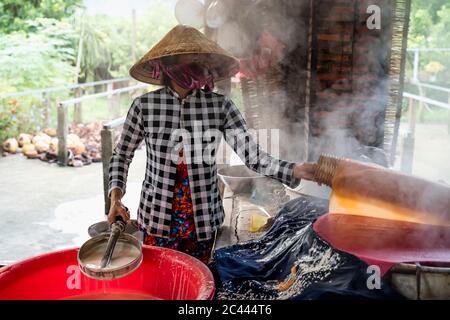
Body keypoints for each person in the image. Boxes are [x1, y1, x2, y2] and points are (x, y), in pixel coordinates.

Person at [107, 25, 316, 264]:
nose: (198, 61)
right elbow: (121, 155)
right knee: (163, 284)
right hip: (157, 220)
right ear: (171, 62)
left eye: (201, 57)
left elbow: (253, 157)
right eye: (191, 56)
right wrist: (115, 199)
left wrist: (294, 169)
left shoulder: (221, 106)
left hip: (203, 223)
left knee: (199, 287)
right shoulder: (144, 106)